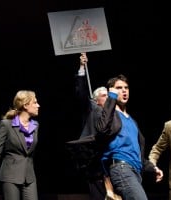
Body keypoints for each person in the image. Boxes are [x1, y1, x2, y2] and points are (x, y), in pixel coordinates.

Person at [95, 74, 163, 200]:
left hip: (135, 171)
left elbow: (138, 154)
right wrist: (112, 98)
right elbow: (102, 129)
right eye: (119, 88)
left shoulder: (132, 121)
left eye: (126, 87)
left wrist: (153, 168)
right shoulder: (109, 115)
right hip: (121, 169)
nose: (124, 90)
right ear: (112, 91)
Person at [0, 90, 40, 200]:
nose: (38, 105)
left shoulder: (35, 125)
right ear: (25, 105)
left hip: (29, 176)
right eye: (35, 102)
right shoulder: (6, 125)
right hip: (10, 175)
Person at [70, 52, 108, 200]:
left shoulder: (116, 113)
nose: (108, 97)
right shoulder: (92, 108)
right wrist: (81, 67)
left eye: (108, 94)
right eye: (104, 95)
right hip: (95, 162)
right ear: (96, 100)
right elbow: (82, 92)